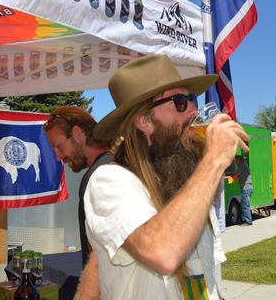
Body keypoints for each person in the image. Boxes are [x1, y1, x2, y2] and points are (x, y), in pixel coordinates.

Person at [79, 54, 249, 300]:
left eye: (192, 99)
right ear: (144, 121)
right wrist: (213, 161)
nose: (194, 110)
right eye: (180, 102)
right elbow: (163, 253)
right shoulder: (109, 180)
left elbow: (209, 280)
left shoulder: (189, 185)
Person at [43, 106, 112, 268]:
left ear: (77, 134)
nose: (58, 156)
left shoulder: (100, 176)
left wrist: (88, 293)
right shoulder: (109, 167)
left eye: (59, 146)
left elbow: (98, 254)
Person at [233, 155, 253, 226]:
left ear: (239, 160)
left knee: (245, 206)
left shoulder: (242, 166)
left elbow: (236, 176)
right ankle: (245, 220)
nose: (235, 162)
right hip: (248, 188)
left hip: (246, 189)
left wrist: (232, 176)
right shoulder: (245, 166)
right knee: (244, 205)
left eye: (236, 161)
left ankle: (248, 222)